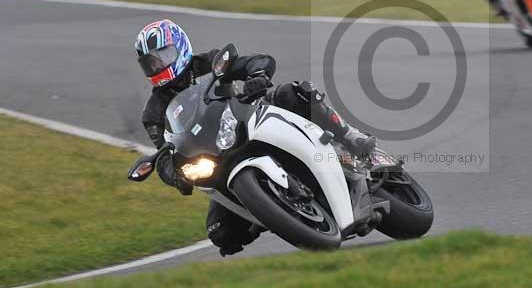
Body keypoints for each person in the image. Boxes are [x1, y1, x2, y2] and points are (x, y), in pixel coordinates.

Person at [134, 19, 376, 256]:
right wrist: (173, 175)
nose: (157, 67)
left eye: (162, 57)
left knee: (293, 93)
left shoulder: (209, 62)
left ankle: (349, 135)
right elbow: (166, 152)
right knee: (220, 233)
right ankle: (269, 210)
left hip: (248, 119)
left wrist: (256, 76)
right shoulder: (153, 112)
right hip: (215, 157)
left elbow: (257, 61)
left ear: (180, 46)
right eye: (150, 63)